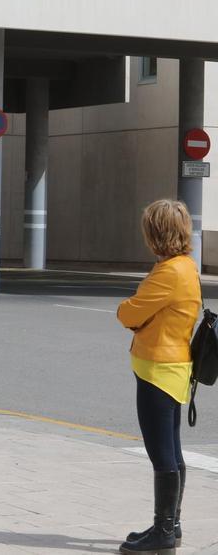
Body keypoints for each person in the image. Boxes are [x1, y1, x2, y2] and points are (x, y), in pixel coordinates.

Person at [116, 199, 198, 554]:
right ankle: (171, 525)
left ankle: (163, 531)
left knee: (161, 450)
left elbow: (128, 312)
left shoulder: (169, 273)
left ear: (156, 233)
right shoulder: (185, 267)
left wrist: (126, 309)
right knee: (172, 448)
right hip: (174, 366)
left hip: (158, 369)